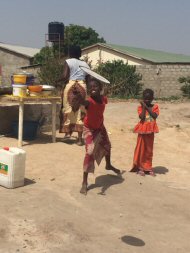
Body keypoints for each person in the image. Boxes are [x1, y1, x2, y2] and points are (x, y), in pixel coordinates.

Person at [76, 78, 121, 195]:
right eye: (90, 87)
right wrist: (79, 97)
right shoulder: (89, 102)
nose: (92, 88)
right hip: (89, 129)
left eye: (95, 86)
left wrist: (107, 89)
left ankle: (108, 165)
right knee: (90, 152)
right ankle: (84, 182)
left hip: (100, 127)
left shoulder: (103, 99)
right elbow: (83, 102)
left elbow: (104, 97)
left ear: (100, 89)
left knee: (107, 145)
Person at [56, 45, 90, 145]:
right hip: (82, 86)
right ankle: (79, 139)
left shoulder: (68, 61)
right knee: (80, 112)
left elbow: (65, 76)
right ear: (80, 53)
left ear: (70, 53)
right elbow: (88, 78)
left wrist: (57, 80)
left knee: (67, 110)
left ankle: (67, 134)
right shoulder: (85, 64)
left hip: (70, 85)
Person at [130, 88, 159, 176]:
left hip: (150, 132)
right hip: (142, 132)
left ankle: (148, 167)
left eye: (149, 99)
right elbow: (142, 117)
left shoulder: (155, 107)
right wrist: (143, 108)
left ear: (152, 98)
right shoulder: (140, 108)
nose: (147, 100)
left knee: (149, 150)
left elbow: (154, 116)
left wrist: (146, 107)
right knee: (141, 149)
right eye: (145, 99)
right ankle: (140, 167)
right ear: (143, 98)